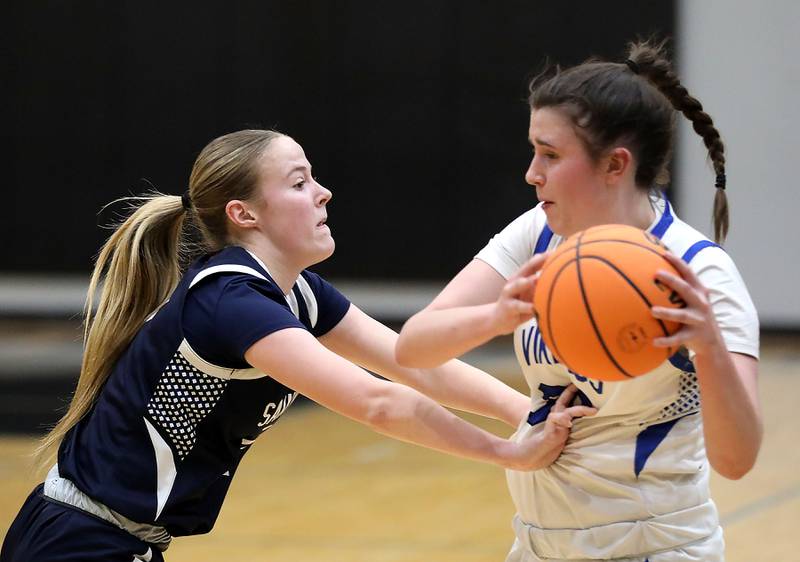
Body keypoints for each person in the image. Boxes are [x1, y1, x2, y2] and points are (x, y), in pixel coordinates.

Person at [1, 129, 597, 562]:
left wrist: (531, 413)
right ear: (244, 214)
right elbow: (379, 403)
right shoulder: (230, 303)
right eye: (299, 181)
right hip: (76, 541)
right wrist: (511, 453)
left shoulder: (299, 294)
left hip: (120, 539)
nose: (324, 193)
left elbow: (414, 364)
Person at [396, 39, 761, 562]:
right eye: (533, 150)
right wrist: (498, 316)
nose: (532, 173)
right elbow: (413, 348)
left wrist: (710, 349)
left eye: (550, 154)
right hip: (538, 544)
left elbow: (737, 460)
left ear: (615, 165)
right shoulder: (537, 233)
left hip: (655, 546)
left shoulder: (698, 273)